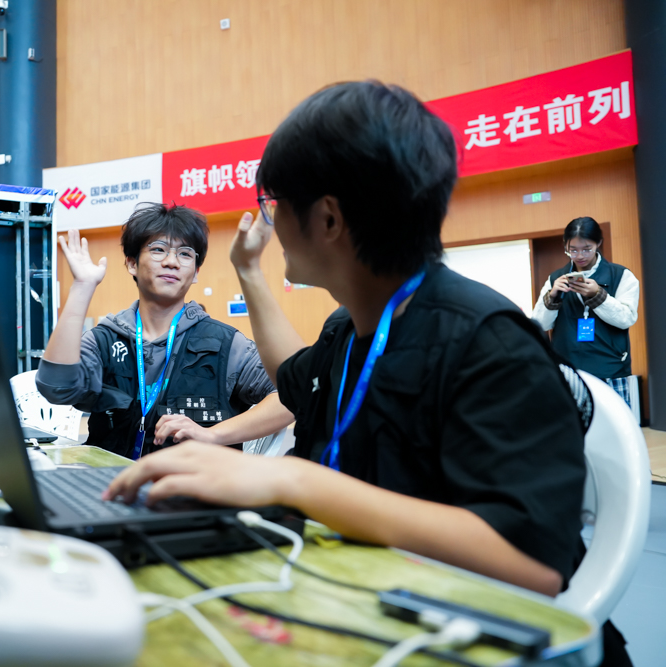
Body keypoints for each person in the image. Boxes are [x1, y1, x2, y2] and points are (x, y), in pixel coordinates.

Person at [105, 82, 632, 664]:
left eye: (277, 205)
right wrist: (249, 272)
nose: (272, 222)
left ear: (328, 218)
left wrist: (293, 482)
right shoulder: (350, 325)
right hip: (359, 602)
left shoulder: (489, 343)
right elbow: (294, 381)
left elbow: (530, 564)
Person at [35, 203, 293, 459]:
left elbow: (291, 396)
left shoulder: (227, 344)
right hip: (112, 480)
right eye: (158, 249)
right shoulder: (105, 339)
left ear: (195, 273)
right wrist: (82, 286)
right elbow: (55, 388)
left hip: (194, 482)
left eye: (185, 254)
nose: (172, 262)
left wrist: (213, 434)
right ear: (132, 264)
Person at [532, 218, 640, 409]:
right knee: (573, 426)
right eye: (573, 250)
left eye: (587, 249)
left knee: (613, 425)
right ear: (565, 246)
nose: (580, 255)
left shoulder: (621, 275)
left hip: (610, 370)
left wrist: (597, 295)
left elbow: (626, 318)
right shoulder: (555, 279)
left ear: (598, 243)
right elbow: (540, 324)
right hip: (569, 371)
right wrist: (553, 296)